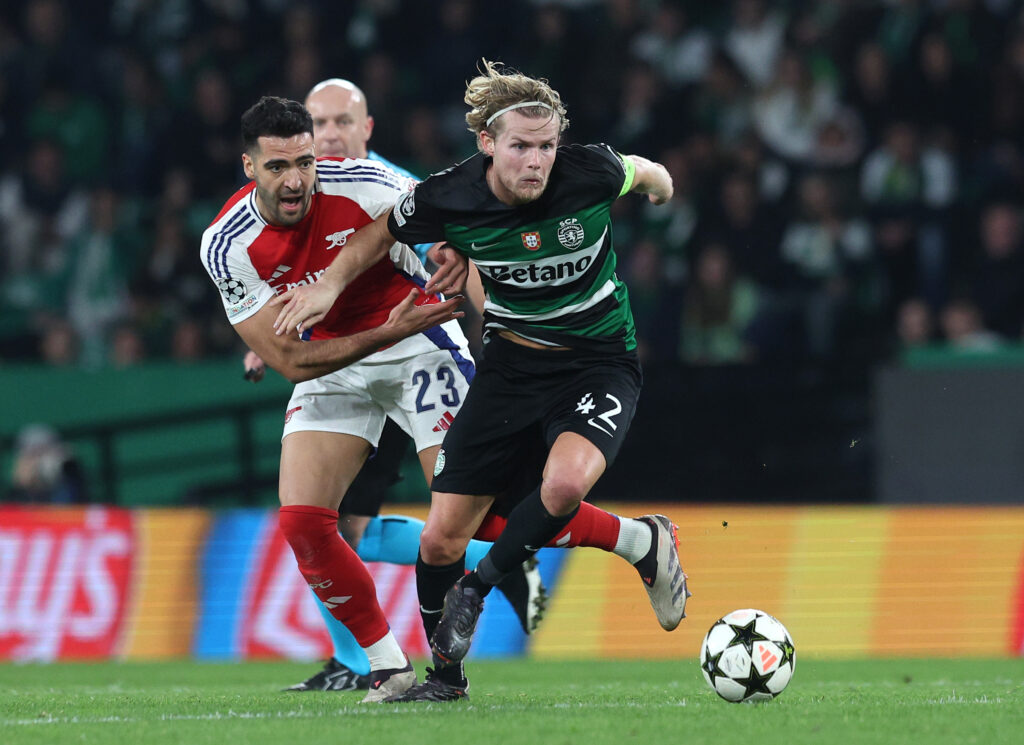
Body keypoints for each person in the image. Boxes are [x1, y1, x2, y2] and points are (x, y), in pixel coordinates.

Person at [271, 60, 690, 702]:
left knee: (563, 483)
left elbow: (646, 172)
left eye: (546, 146)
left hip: (599, 361)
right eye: (520, 146)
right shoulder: (448, 195)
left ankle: (482, 585)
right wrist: (328, 284)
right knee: (441, 539)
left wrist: (661, 188)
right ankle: (446, 680)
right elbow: (381, 233)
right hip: (511, 369)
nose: (536, 161)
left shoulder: (591, 173)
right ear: (488, 143)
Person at [240, 79, 543, 694]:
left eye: (337, 125)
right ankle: (369, 662)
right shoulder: (249, 224)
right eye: (316, 126)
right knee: (328, 526)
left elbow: (459, 258)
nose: (325, 138)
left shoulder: (385, 187)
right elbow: (277, 291)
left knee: (460, 515)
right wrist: (262, 344)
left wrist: (501, 333)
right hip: (342, 365)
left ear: (366, 129)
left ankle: (555, 553)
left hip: (412, 354)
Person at [200, 95, 472, 702]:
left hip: (418, 340)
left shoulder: (368, 179)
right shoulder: (226, 244)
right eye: (277, 167)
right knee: (305, 520)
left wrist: (447, 249)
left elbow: (443, 213)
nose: (295, 179)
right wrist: (378, 335)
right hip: (342, 354)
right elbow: (290, 359)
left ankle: (634, 539)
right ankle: (388, 666)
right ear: (249, 168)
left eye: (304, 162)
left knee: (476, 513)